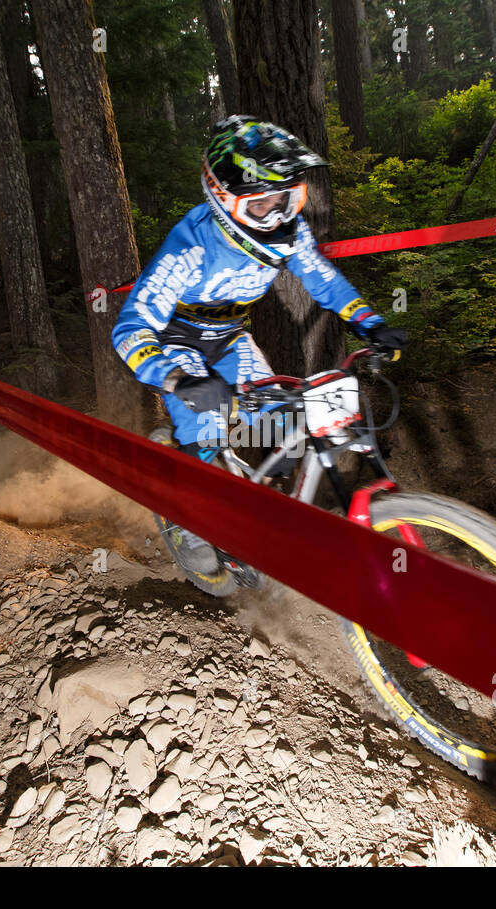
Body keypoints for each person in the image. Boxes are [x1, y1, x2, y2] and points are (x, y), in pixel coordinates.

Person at [112, 115, 407, 571]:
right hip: (178, 341)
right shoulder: (190, 246)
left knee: (286, 418)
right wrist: (177, 380)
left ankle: (271, 507)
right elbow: (130, 329)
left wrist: (371, 322)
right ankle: (191, 525)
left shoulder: (289, 234)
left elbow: (323, 279)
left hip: (230, 337)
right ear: (223, 198)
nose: (281, 215)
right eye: (264, 204)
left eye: (289, 199)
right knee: (204, 431)